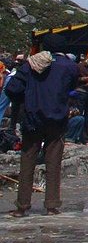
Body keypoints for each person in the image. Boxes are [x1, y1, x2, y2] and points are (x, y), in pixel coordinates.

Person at [5, 51, 78, 216]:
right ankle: (51, 205)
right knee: (53, 163)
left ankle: (22, 206)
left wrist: (25, 100)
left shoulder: (30, 65)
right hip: (57, 119)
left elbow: (12, 88)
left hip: (33, 119)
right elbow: (72, 87)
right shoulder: (69, 66)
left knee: (28, 161)